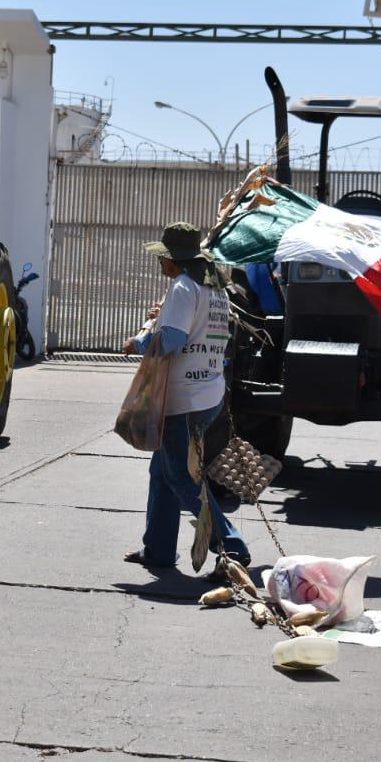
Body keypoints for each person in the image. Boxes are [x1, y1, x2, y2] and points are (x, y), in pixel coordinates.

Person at [122, 221, 251, 569]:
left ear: (174, 260)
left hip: (183, 400)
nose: (160, 263)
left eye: (164, 257)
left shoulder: (182, 287)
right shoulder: (215, 289)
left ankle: (232, 546)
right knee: (162, 472)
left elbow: (173, 341)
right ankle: (159, 550)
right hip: (208, 394)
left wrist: (140, 342)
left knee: (180, 474)